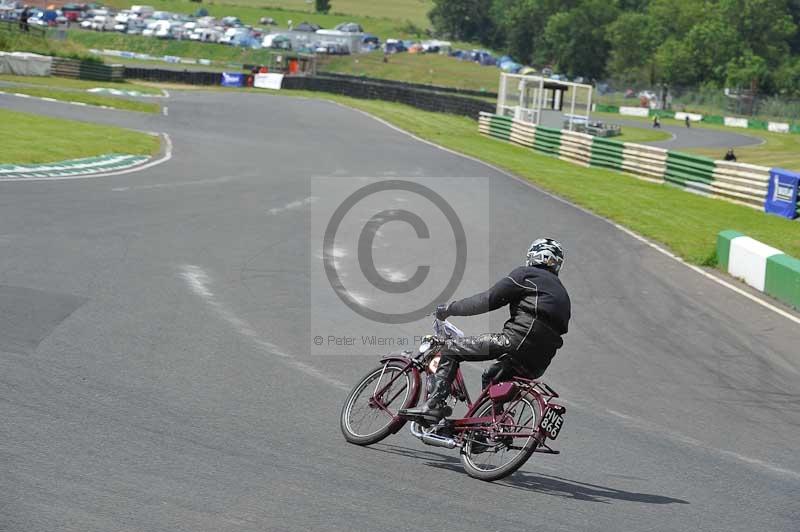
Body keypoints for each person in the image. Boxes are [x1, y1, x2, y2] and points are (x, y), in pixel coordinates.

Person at [400, 238, 571, 422]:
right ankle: (487, 429)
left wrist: (450, 309)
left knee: (449, 350)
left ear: (532, 257)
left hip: (513, 342)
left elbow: (487, 300)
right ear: (557, 264)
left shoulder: (526, 275)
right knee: (492, 377)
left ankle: (433, 406)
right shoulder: (563, 295)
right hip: (539, 362)